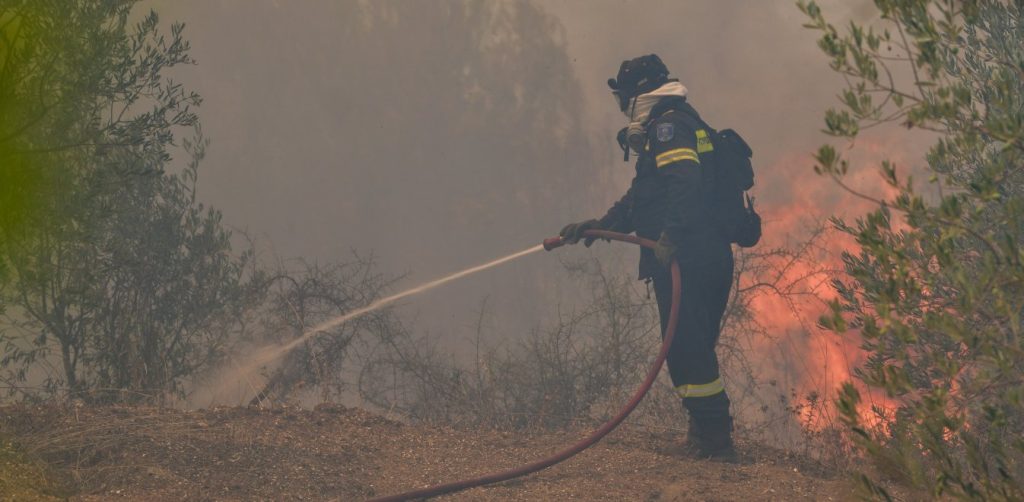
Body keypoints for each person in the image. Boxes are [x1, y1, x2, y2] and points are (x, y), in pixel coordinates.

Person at [559, 54, 737, 461]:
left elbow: (685, 186)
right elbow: (646, 197)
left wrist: (671, 235)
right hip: (705, 255)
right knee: (695, 347)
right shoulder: (682, 121)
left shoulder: (669, 128)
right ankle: (709, 435)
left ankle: (715, 442)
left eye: (623, 98)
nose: (621, 107)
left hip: (686, 260)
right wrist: (599, 225)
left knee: (686, 349)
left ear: (639, 94)